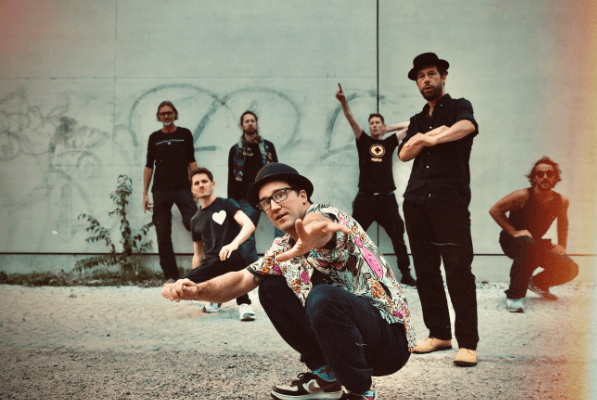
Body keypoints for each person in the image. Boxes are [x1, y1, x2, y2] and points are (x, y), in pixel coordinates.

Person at [163, 163, 415, 400]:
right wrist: (197, 290)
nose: (273, 206)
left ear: (303, 196)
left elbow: (319, 226)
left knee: (322, 297)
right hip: (350, 342)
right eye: (265, 202)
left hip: (389, 342)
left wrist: (311, 237)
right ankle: (326, 378)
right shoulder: (283, 248)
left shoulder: (327, 215)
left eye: (280, 194)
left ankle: (361, 392)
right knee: (270, 287)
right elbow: (240, 280)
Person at [398, 53, 479, 366]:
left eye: (431, 74)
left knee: (458, 270)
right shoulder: (417, 120)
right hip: (416, 201)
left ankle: (467, 343)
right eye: (421, 77)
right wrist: (422, 136)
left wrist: (429, 140)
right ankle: (440, 334)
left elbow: (466, 127)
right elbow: (404, 153)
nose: (426, 80)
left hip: (450, 201)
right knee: (426, 270)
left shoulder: (459, 106)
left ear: (443, 76)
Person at [335, 83, 417, 287]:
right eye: (371, 123)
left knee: (398, 238)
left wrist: (390, 128)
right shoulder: (363, 141)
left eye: (377, 123)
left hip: (387, 200)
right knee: (353, 237)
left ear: (382, 125)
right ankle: (347, 274)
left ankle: (406, 274)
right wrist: (344, 102)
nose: (374, 126)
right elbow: (351, 119)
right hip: (365, 199)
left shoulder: (389, 142)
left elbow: (412, 125)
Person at [489, 156, 579, 313]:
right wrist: (514, 232)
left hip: (534, 242)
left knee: (570, 268)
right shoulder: (522, 195)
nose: (545, 177)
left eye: (549, 174)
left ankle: (538, 283)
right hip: (511, 241)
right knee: (526, 244)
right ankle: (514, 296)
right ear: (534, 178)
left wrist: (562, 245)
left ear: (555, 178)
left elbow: (563, 222)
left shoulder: (561, 200)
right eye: (540, 174)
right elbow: (495, 210)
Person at [181, 167, 257, 321]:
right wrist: (196, 276)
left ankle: (244, 303)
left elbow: (249, 225)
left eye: (204, 181)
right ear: (193, 189)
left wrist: (233, 244)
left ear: (212, 184)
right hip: (211, 264)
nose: (201, 185)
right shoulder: (195, 220)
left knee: (232, 258)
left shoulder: (226, 203)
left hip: (232, 258)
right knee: (184, 284)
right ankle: (215, 299)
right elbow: (198, 253)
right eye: (197, 183)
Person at [144, 101, 197, 281]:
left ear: (175, 114)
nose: (166, 116)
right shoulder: (154, 137)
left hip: (183, 188)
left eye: (169, 112)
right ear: (159, 117)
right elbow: (149, 166)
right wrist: (145, 193)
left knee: (195, 224)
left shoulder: (185, 134)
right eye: (163, 113)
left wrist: (195, 186)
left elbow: (191, 162)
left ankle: (206, 265)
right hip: (160, 191)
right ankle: (171, 275)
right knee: (163, 233)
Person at [228, 110, 278, 263]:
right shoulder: (235, 150)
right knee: (246, 234)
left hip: (268, 195)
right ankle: (252, 268)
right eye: (247, 121)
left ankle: (280, 261)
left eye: (252, 121)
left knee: (282, 228)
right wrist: (232, 202)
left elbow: (276, 172)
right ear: (241, 125)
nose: (250, 123)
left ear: (256, 124)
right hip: (246, 197)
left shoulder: (268, 146)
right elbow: (232, 178)